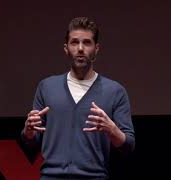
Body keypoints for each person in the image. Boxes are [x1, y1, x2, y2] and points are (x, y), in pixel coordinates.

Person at [21, 17, 135, 179]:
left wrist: (112, 130)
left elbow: (128, 146)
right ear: (66, 48)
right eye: (74, 42)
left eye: (87, 43)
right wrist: (29, 131)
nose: (80, 48)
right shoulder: (47, 87)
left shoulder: (115, 91)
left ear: (96, 49)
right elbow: (31, 142)